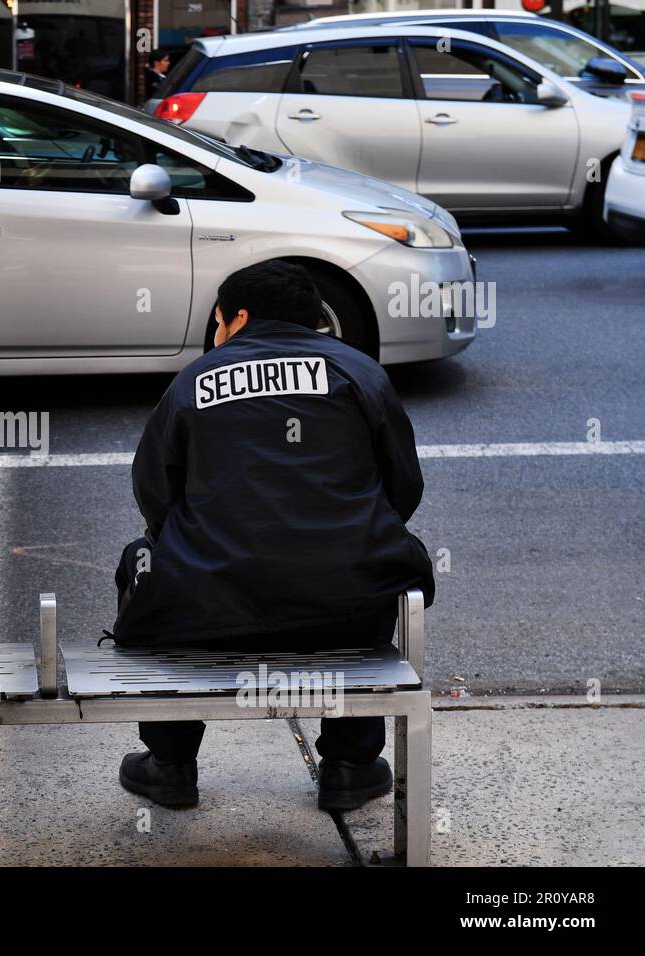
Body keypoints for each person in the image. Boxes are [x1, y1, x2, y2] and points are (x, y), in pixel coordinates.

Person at [112, 260, 435, 811]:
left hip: (210, 612)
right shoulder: (360, 373)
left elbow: (154, 498)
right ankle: (351, 764)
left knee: (141, 557)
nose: (214, 336)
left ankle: (169, 763)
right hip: (347, 604)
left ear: (238, 317)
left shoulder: (194, 381)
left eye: (216, 322)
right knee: (386, 552)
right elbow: (403, 488)